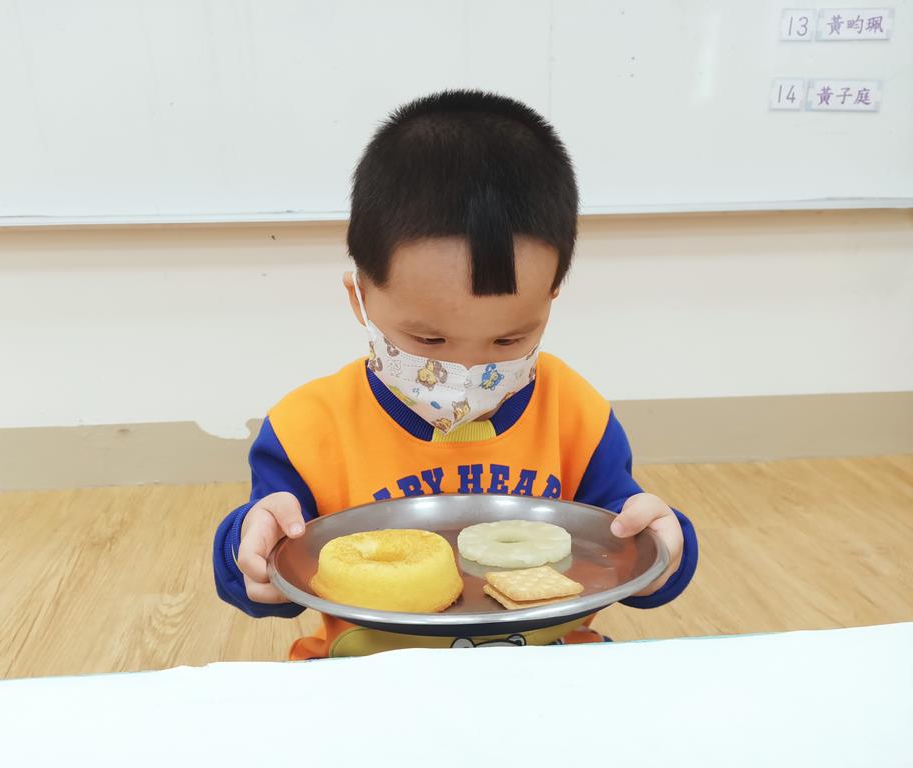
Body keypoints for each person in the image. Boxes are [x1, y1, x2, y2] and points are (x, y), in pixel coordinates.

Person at [213, 90, 698, 659]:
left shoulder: (575, 414)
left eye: (508, 340)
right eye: (430, 341)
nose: (468, 371)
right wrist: (249, 546)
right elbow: (266, 578)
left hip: (549, 665)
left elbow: (625, 540)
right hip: (369, 671)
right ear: (360, 297)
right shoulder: (309, 428)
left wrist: (667, 544)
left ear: (550, 299)